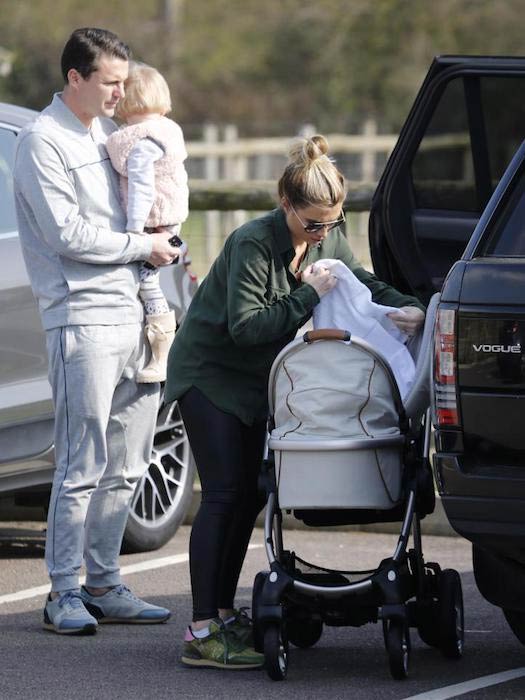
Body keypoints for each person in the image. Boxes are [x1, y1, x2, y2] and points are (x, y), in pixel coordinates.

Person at [164, 134, 425, 669]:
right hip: (210, 375)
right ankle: (200, 630)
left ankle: (222, 611)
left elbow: (362, 283)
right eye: (312, 223)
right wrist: (309, 293)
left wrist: (413, 308)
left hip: (259, 382)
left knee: (250, 498)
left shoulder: (327, 237)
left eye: (333, 223)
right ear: (285, 203)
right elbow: (246, 329)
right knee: (222, 494)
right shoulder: (252, 243)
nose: (324, 233)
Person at [13, 27, 180, 635]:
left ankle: (105, 582)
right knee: (81, 462)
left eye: (122, 80)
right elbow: (67, 237)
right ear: (75, 79)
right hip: (81, 319)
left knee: (130, 462)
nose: (120, 92)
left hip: (138, 316)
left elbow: (152, 206)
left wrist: (167, 242)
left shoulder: (113, 134)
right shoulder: (40, 142)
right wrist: (145, 245)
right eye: (109, 82)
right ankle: (62, 591)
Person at [105, 61, 189, 383]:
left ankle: (162, 354)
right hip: (171, 220)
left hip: (155, 223)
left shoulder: (140, 142)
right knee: (152, 277)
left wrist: (134, 232)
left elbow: (142, 188)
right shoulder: (167, 131)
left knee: (148, 283)